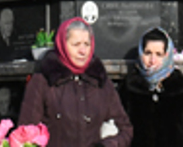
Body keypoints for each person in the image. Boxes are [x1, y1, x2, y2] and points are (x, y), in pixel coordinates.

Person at [18, 17, 133, 147]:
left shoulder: (101, 82)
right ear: (63, 45)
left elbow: (125, 130)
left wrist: (108, 144)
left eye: (86, 44)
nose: (83, 51)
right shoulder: (43, 81)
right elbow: (25, 133)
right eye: (76, 44)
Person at [119, 27, 183, 147]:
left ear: (167, 55)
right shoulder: (128, 89)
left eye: (159, 54)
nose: (152, 60)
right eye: (148, 53)